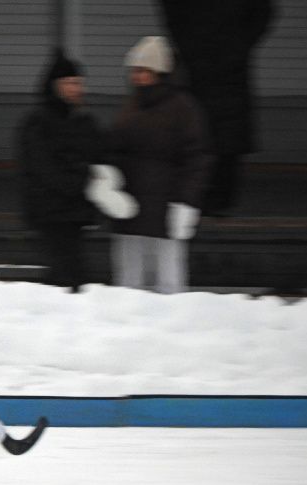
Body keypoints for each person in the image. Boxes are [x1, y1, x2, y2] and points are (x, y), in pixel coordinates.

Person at [17, 49, 136, 292]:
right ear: (54, 86)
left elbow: (101, 153)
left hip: (73, 211)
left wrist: (104, 174)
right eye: (69, 83)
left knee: (69, 272)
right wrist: (83, 181)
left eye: (78, 83)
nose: (75, 88)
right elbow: (44, 168)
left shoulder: (83, 121)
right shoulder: (38, 122)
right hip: (50, 210)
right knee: (66, 273)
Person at [107, 36, 212, 295]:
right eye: (134, 70)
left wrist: (187, 202)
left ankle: (168, 325)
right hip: (131, 205)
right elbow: (116, 149)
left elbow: (197, 157)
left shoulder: (183, 108)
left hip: (166, 204)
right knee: (128, 275)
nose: (136, 76)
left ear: (159, 72)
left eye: (142, 70)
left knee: (168, 277)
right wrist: (108, 184)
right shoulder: (132, 106)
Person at [160, 0, 275, 217]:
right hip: (201, 62)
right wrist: (188, 45)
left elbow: (263, 12)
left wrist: (239, 46)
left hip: (226, 63)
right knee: (197, 129)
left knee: (227, 133)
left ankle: (219, 198)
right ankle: (199, 195)